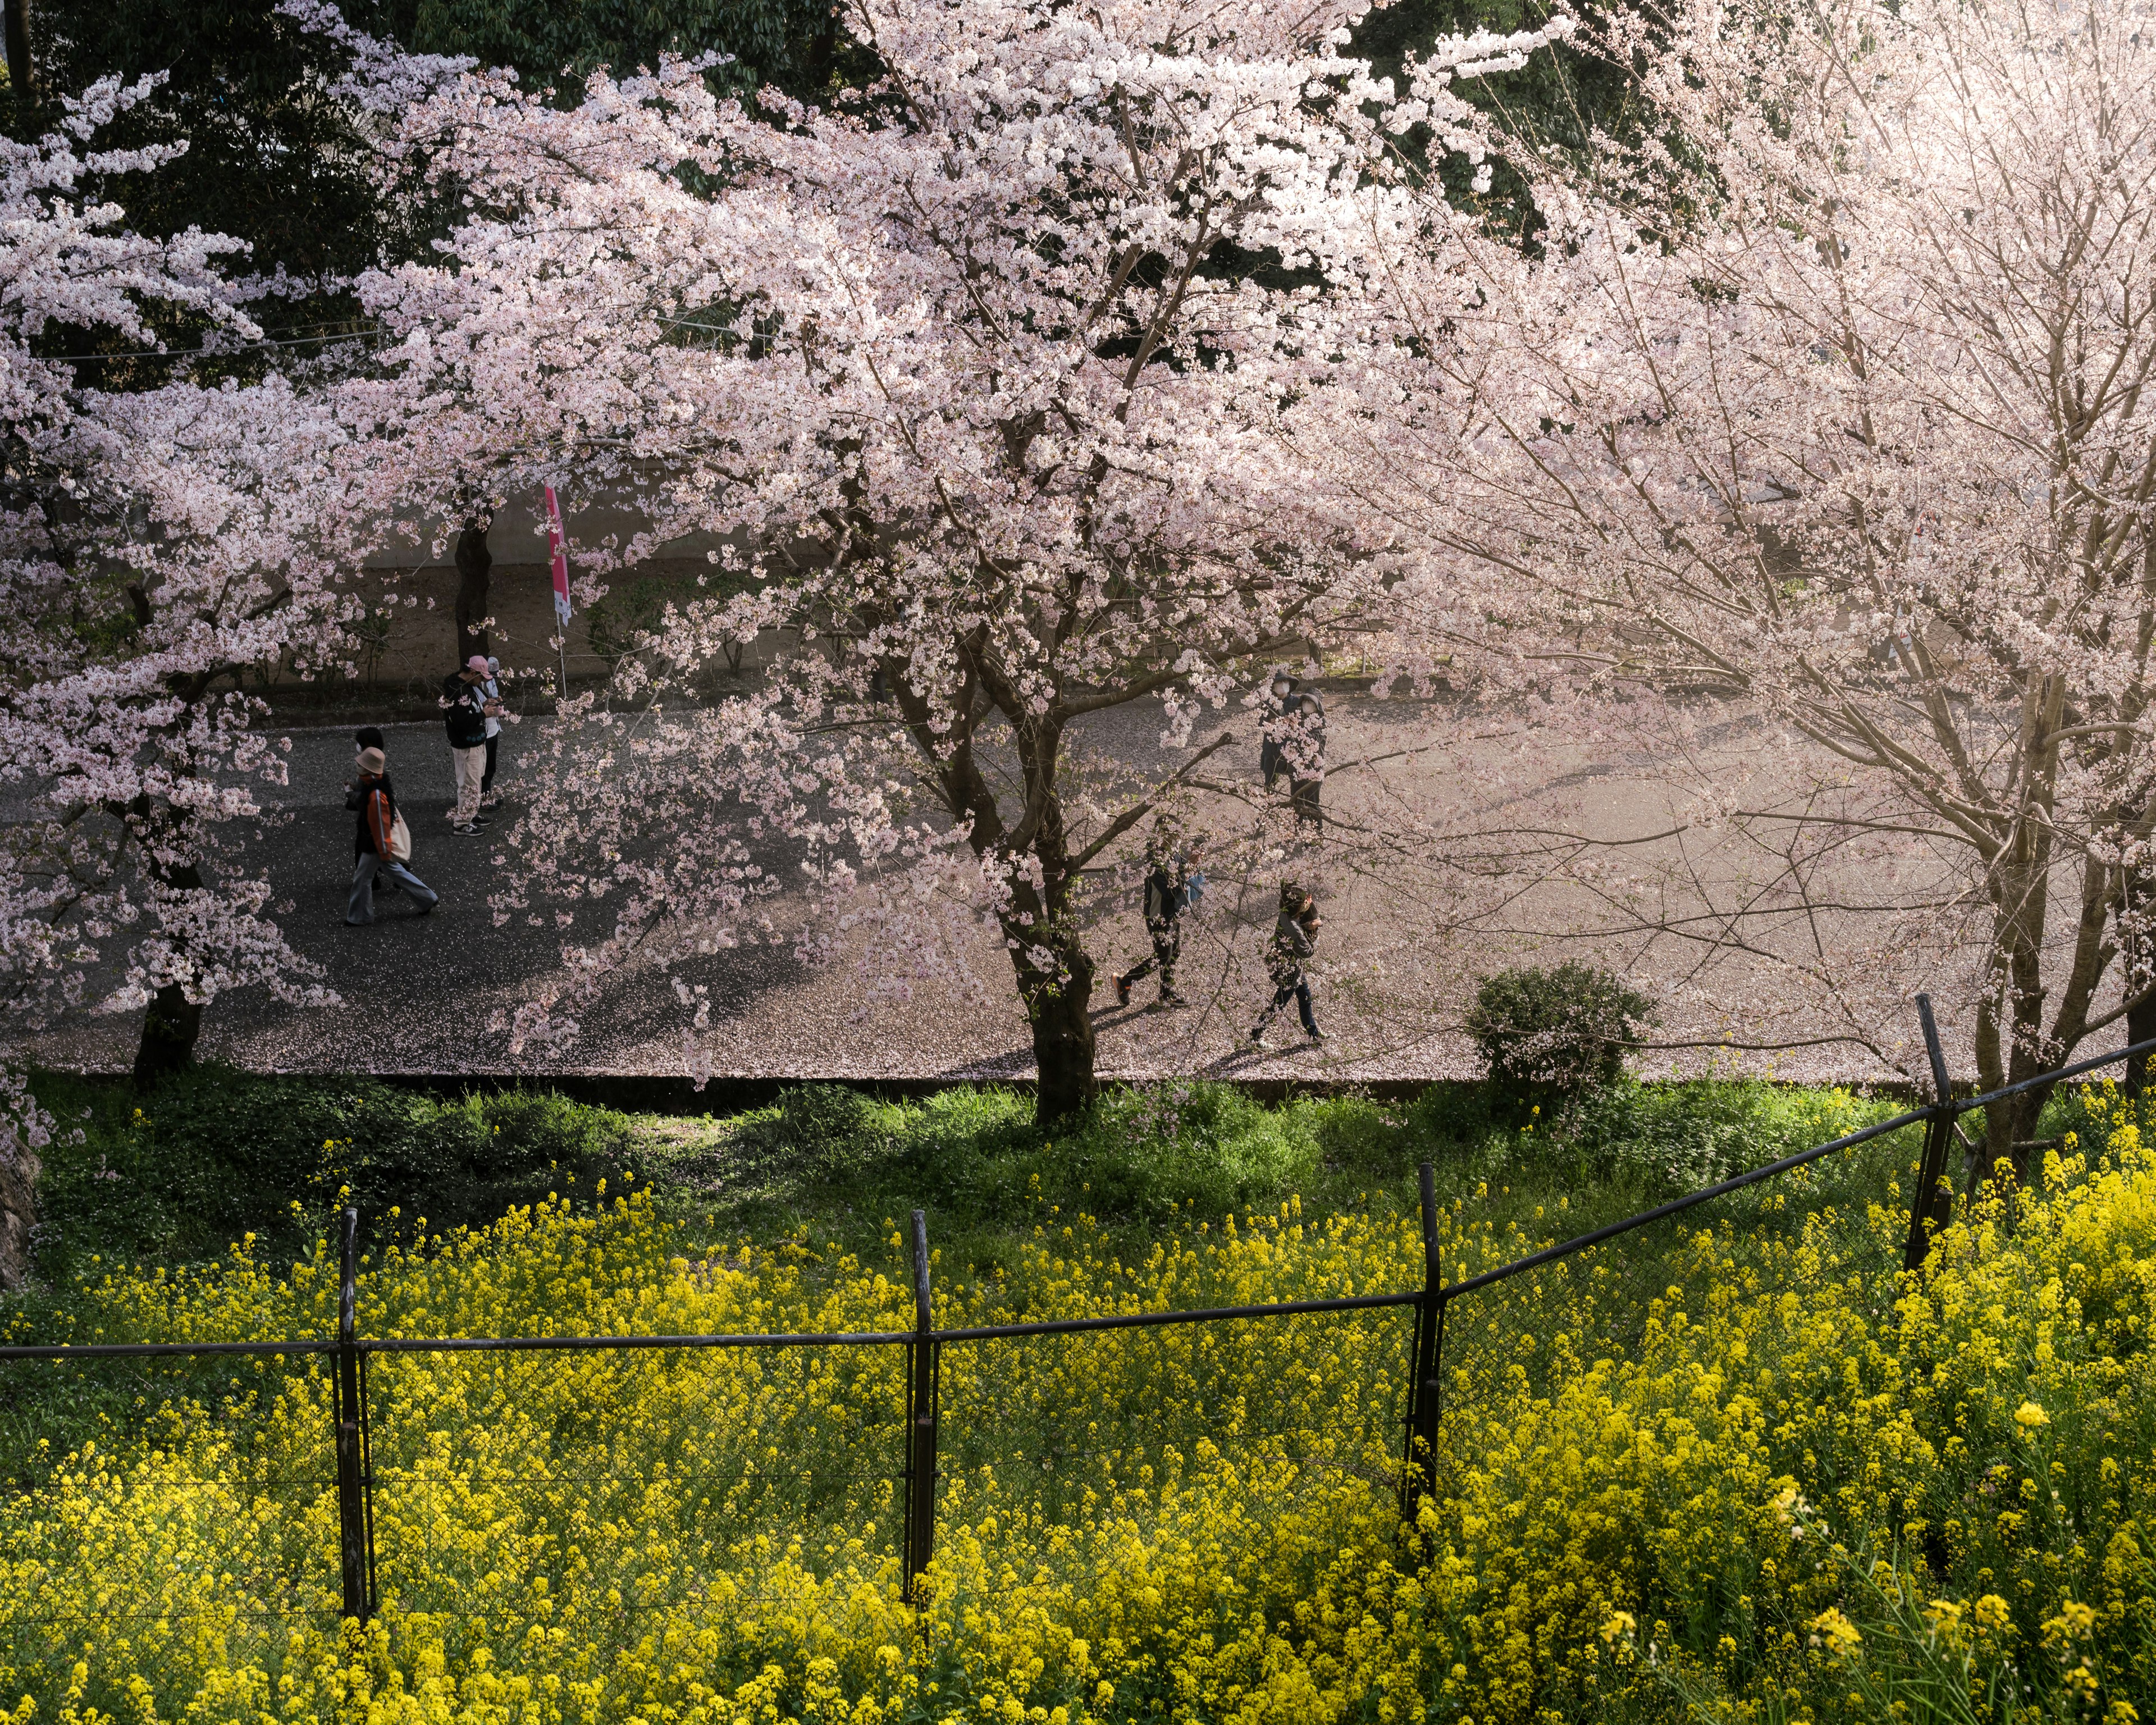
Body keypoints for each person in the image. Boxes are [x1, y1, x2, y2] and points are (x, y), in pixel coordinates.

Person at [1112, 819, 1203, 1010]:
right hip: (1158, 915)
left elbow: (1180, 871)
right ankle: (1125, 982)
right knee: (1163, 956)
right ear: (1163, 834)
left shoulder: (1173, 854)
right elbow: (1170, 890)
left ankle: (1166, 993)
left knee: (1174, 952)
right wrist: (1187, 872)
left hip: (1172, 912)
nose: (1178, 838)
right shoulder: (1153, 861)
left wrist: (1192, 863)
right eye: (1174, 833)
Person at [346, 747, 438, 924]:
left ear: (368, 769)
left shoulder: (376, 795)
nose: (357, 766)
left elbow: (381, 825)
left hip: (374, 844)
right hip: (377, 844)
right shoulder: (374, 787)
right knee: (395, 872)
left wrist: (383, 848)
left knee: (362, 878)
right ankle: (426, 898)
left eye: (360, 765)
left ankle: (361, 916)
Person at [1250, 882, 1325, 1044]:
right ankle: (1255, 1036)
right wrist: (1316, 930)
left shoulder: (1286, 912)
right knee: (1278, 1004)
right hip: (1289, 971)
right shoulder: (1293, 929)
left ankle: (1313, 1033)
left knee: (1305, 997)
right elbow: (1308, 952)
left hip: (1290, 965)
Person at [440, 655, 496, 834]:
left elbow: (470, 709)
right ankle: (462, 823)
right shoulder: (456, 691)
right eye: (481, 677)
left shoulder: (466, 687)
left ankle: (471, 814)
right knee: (469, 784)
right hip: (466, 745)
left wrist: (483, 705)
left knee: (475, 781)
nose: (481, 682)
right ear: (472, 673)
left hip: (476, 742)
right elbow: (462, 721)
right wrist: (483, 715)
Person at [1284, 684, 1326, 833]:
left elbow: (1313, 741)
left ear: (1317, 706)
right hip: (1296, 768)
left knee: (1312, 803)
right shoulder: (1296, 718)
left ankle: (1316, 834)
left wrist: (1297, 730)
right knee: (1296, 800)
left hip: (1312, 769)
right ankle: (1297, 831)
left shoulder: (1320, 723)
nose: (1306, 705)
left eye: (1310, 703)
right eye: (1304, 702)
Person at [1260, 670, 1296, 792]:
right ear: (1273, 687)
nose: (1283, 685)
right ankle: (1269, 801)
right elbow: (1261, 724)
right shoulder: (1267, 702)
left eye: (1285, 682)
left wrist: (1292, 723)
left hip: (1290, 745)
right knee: (1271, 781)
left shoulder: (1296, 702)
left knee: (1296, 777)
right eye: (1279, 683)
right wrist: (1270, 724)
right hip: (1272, 745)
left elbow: (1301, 724)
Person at [481, 656, 506, 809]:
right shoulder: (475, 687)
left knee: (491, 767)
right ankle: (481, 799)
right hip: (483, 730)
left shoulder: (491, 681)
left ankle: (487, 795)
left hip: (493, 728)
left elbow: (495, 697)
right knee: (481, 768)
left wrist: (498, 701)